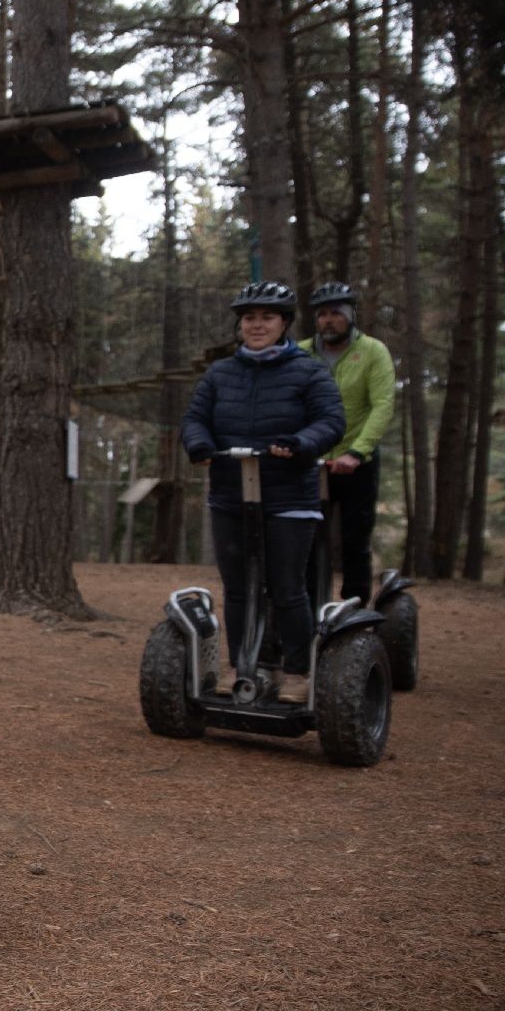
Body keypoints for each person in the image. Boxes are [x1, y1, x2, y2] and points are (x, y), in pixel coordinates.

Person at [182, 281, 345, 704]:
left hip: (289, 496)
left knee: (287, 587)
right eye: (249, 318)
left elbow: (330, 421)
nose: (257, 326)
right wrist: (198, 444)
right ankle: (244, 667)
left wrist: (299, 442)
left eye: (267, 318)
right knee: (238, 588)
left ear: (284, 323)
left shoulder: (309, 370)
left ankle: (295, 672)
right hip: (231, 495)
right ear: (240, 324)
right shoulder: (220, 373)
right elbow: (196, 418)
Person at [300, 281, 396, 606]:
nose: (328, 320)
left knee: (356, 541)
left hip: (356, 461)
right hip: (310, 461)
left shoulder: (372, 351)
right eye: (322, 314)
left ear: (350, 315)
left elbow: (382, 404)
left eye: (336, 314)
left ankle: (354, 609)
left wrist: (358, 452)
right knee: (309, 539)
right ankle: (312, 607)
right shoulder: (301, 353)